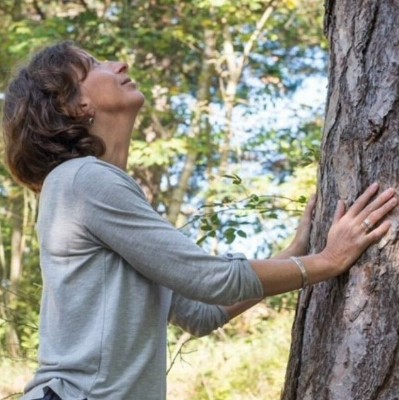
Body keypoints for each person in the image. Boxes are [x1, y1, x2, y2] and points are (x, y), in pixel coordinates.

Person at [2, 41, 397, 400]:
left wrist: (294, 250)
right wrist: (327, 261)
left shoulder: (92, 187)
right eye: (93, 65)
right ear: (75, 106)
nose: (120, 63)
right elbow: (212, 280)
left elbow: (200, 313)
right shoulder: (83, 180)